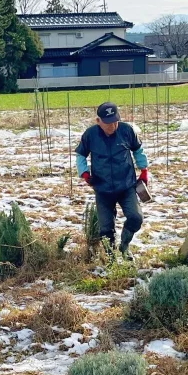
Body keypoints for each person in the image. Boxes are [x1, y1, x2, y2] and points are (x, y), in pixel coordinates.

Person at [75, 102, 149, 258]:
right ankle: (110, 256)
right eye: (108, 123)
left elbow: (138, 150)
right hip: (102, 188)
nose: (112, 126)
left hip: (126, 186)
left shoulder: (127, 131)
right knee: (106, 228)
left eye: (115, 121)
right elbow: (81, 155)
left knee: (136, 217)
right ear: (98, 121)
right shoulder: (90, 135)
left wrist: (144, 170)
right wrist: (84, 173)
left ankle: (124, 246)